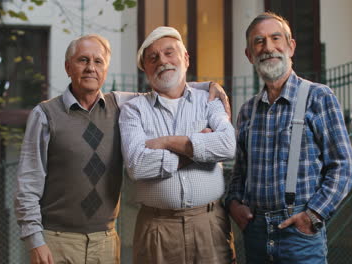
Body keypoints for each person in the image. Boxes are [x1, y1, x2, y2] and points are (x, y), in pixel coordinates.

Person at [14, 34, 231, 264]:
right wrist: (35, 241)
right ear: (68, 67)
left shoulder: (119, 104)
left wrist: (208, 86)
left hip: (105, 240)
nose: (90, 68)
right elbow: (28, 183)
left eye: (98, 61)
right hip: (56, 240)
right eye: (83, 60)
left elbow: (167, 84)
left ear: (106, 69)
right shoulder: (46, 115)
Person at [225, 12, 352, 263]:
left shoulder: (318, 97)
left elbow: (343, 166)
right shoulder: (247, 110)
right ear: (249, 54)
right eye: (259, 41)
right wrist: (233, 205)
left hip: (299, 234)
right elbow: (239, 172)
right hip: (255, 233)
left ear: (291, 46)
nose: (268, 47)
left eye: (276, 38)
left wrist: (313, 215)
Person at [119, 26, 237, 264]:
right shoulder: (133, 110)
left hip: (210, 224)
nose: (162, 61)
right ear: (146, 69)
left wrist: (166, 142)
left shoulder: (209, 100)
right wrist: (197, 150)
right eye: (153, 58)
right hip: (156, 228)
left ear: (185, 58)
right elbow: (137, 166)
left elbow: (227, 145)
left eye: (169, 53)